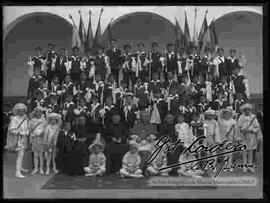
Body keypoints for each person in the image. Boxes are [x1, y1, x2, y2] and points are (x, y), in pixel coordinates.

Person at [5, 103, 30, 178]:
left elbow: (28, 126)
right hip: (17, 139)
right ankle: (17, 172)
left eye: (23, 111)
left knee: (21, 153)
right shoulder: (14, 119)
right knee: (20, 154)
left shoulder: (26, 118)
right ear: (17, 111)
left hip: (24, 138)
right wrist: (19, 133)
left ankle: (20, 167)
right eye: (20, 111)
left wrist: (27, 131)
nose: (21, 112)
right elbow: (11, 129)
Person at [236, 103, 262, 173]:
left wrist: (252, 130)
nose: (247, 111)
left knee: (250, 151)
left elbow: (257, 127)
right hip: (244, 136)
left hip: (251, 136)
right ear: (244, 111)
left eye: (248, 110)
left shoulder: (253, 118)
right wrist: (238, 136)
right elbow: (238, 127)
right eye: (245, 110)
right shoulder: (241, 118)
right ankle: (244, 166)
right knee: (244, 152)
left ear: (250, 110)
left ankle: (250, 166)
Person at [218, 107, 238, 172]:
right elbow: (220, 130)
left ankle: (230, 166)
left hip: (231, 139)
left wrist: (235, 138)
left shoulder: (234, 121)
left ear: (230, 114)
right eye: (225, 114)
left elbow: (236, 130)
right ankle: (225, 166)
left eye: (228, 114)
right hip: (224, 139)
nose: (226, 115)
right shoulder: (221, 121)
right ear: (223, 114)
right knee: (225, 153)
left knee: (230, 153)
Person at [28, 106, 46, 175]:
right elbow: (29, 129)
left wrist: (43, 132)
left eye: (40, 112)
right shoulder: (32, 120)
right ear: (35, 113)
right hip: (34, 138)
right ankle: (36, 168)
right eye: (37, 112)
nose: (39, 113)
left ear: (42, 113)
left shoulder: (44, 120)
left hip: (41, 138)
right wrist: (33, 134)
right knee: (35, 154)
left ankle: (41, 168)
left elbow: (46, 129)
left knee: (41, 154)